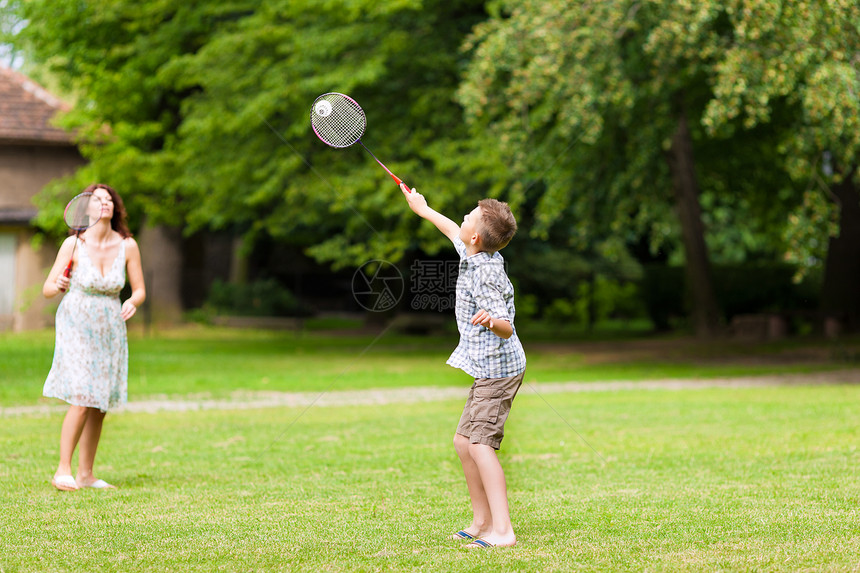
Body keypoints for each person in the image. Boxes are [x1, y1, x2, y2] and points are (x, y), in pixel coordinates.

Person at [401, 183, 526, 549]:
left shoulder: (486, 273)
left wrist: (491, 320)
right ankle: (481, 520)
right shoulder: (473, 250)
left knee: (480, 445)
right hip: (486, 368)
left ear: (476, 235)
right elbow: (451, 229)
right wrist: (422, 209)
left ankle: (503, 531)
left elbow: (506, 327)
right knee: (462, 443)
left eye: (469, 215)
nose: (464, 218)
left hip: (499, 371)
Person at [42, 183, 146, 491]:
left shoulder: (128, 245)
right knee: (83, 395)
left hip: (109, 325)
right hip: (75, 321)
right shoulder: (72, 245)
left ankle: (86, 474)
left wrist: (132, 301)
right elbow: (48, 289)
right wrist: (58, 283)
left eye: (109, 200)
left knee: (99, 401)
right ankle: (63, 470)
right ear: (86, 208)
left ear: (116, 208)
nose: (104, 204)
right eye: (97, 200)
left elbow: (139, 289)